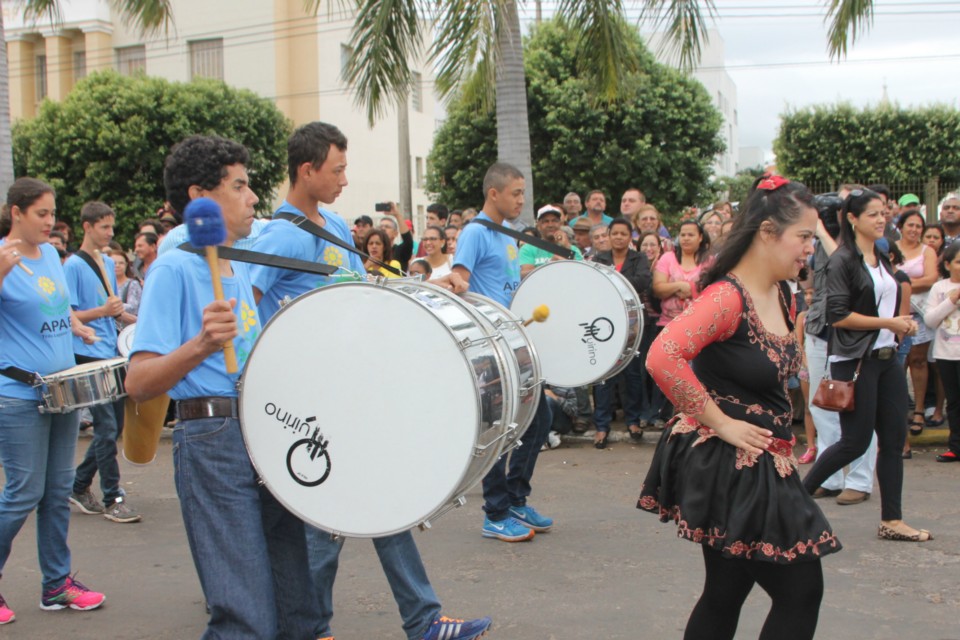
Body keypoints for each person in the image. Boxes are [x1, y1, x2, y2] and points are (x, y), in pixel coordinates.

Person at [249, 122, 491, 640]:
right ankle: (316, 626)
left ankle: (411, 620)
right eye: (335, 170)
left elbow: (362, 290)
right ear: (306, 169)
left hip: (352, 387)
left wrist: (427, 284)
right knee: (334, 510)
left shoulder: (334, 224)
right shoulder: (279, 234)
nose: (343, 179)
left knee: (372, 500)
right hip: (311, 396)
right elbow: (250, 309)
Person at [125, 135, 320, 638]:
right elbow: (139, 381)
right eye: (239, 186)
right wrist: (199, 347)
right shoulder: (174, 268)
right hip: (211, 438)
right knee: (245, 616)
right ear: (199, 198)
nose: (254, 196)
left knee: (298, 608)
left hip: (263, 431)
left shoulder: (237, 261)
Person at [640, 175, 838, 640]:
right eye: (804, 237)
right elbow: (662, 357)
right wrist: (722, 423)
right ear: (767, 233)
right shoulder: (727, 298)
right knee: (800, 590)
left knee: (728, 590)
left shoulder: (785, 294)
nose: (811, 248)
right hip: (731, 464)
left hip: (760, 462)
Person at [0, 177, 105, 623]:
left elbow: (56, 305)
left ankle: (57, 585)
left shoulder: (50, 256)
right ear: (16, 212)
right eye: (41, 213)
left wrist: (75, 325)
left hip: (61, 390)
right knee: (24, 492)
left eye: (52, 212)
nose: (50, 221)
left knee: (58, 491)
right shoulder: (3, 258)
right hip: (17, 394)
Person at [802, 188, 933, 542]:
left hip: (887, 360)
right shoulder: (843, 259)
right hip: (855, 362)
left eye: (883, 213)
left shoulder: (882, 257)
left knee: (893, 440)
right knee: (854, 443)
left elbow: (886, 301)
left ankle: (892, 520)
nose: (881, 219)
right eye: (873, 214)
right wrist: (888, 324)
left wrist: (900, 323)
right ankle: (794, 502)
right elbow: (838, 316)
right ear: (852, 219)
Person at [453, 162, 554, 544]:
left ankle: (515, 498)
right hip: (489, 345)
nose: (521, 200)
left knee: (539, 420)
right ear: (493, 193)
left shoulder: (507, 232)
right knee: (498, 430)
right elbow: (460, 278)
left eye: (522, 193)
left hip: (514, 340)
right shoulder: (476, 232)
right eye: (515, 193)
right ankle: (495, 512)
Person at [64, 202, 141, 523]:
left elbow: (114, 310)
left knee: (114, 427)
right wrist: (102, 313)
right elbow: (68, 314)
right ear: (87, 227)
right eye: (104, 227)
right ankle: (113, 497)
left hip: (110, 350)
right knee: (107, 427)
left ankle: (78, 485)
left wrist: (138, 323)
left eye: (112, 227)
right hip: (87, 352)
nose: (110, 233)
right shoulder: (73, 266)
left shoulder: (108, 263)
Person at [590, 218, 652, 446]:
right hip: (606, 323)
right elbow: (595, 286)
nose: (618, 237)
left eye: (622, 234)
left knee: (632, 374)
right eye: (614, 233)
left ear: (630, 237)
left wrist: (612, 282)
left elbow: (643, 281)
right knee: (604, 375)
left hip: (633, 323)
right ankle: (601, 426)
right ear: (608, 235)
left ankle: (633, 420)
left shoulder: (639, 258)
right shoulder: (599, 259)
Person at [896, 209, 938, 444]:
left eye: (918, 226)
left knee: (919, 362)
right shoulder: (891, 247)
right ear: (901, 226)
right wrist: (911, 284)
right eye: (910, 225)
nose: (914, 230)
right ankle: (899, 413)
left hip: (921, 314)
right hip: (896, 316)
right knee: (898, 365)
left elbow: (931, 279)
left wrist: (903, 283)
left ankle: (920, 410)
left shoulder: (927, 251)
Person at [924, 241, 960, 462]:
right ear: (947, 264)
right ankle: (955, 446)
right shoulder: (939, 288)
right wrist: (951, 300)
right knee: (954, 402)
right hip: (946, 353)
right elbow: (930, 320)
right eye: (958, 261)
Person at [652, 219, 711, 329]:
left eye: (690, 235)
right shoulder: (667, 258)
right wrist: (680, 286)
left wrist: (692, 289)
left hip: (700, 325)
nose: (686, 238)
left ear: (700, 237)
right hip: (668, 324)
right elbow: (658, 289)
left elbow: (713, 291)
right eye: (683, 235)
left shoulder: (709, 261)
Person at [519, 204, 583, 277]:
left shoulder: (573, 249)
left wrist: (567, 248)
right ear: (538, 226)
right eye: (546, 221)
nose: (550, 225)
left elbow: (581, 274)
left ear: (560, 224)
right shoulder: (528, 248)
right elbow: (524, 276)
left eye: (554, 221)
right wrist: (549, 266)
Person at [108, 247, 140, 331]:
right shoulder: (103, 285)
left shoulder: (133, 284)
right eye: (114, 263)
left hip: (126, 330)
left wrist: (111, 307)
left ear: (126, 265)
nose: (117, 266)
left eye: (121, 263)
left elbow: (133, 307)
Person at [379, 203, 414, 271]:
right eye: (380, 227)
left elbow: (408, 240)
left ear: (395, 233)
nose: (383, 229)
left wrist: (397, 215)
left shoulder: (400, 251)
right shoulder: (373, 251)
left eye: (387, 227)